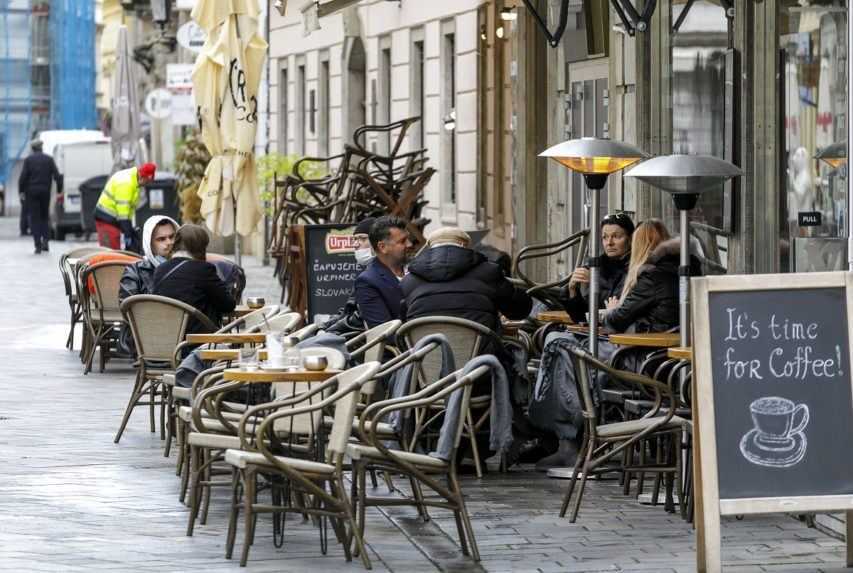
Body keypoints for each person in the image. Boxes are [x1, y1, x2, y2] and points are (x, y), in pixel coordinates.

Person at [530, 219, 687, 469]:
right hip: (658, 357)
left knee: (563, 348)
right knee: (559, 344)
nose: (609, 243)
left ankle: (567, 436)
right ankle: (565, 436)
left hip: (641, 359)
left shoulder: (650, 275)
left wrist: (613, 310)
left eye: (618, 237)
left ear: (637, 243)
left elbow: (616, 319)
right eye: (604, 237)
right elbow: (596, 316)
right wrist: (574, 292)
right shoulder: (674, 271)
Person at [401, 227, 532, 332]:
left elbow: (402, 320)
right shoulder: (489, 272)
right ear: (464, 245)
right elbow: (518, 310)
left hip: (425, 359)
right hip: (481, 358)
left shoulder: (408, 281)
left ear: (430, 248)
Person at [152, 224, 236, 334]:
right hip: (197, 341)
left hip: (167, 338)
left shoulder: (160, 270)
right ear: (201, 247)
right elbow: (228, 305)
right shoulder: (203, 269)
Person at [561, 212, 634, 323]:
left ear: (630, 239)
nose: (609, 243)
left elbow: (616, 307)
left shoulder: (637, 268)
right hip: (592, 331)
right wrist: (572, 291)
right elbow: (581, 317)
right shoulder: (595, 266)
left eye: (616, 236)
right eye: (605, 237)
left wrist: (595, 283)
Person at [354, 216, 408, 328]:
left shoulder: (416, 269)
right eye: (402, 241)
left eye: (407, 239)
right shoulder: (368, 281)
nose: (409, 245)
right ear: (382, 247)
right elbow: (383, 332)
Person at [94, 162, 157, 251]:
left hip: (112, 219)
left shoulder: (134, 181)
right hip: (106, 219)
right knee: (111, 254)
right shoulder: (126, 184)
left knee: (115, 252)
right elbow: (123, 213)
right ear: (143, 177)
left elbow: (128, 211)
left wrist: (129, 230)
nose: (146, 184)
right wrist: (127, 233)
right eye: (147, 181)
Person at [119, 215, 178, 302]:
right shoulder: (134, 271)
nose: (169, 242)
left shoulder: (187, 266)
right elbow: (128, 306)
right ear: (149, 244)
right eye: (161, 239)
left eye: (172, 236)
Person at [18, 139, 61, 254]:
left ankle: (37, 245)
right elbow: (57, 176)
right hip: (45, 192)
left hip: (31, 193)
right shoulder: (49, 159)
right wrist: (59, 190)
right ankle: (46, 241)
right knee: (44, 217)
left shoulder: (28, 160)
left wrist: (21, 192)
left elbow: (23, 178)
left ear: (32, 149)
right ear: (42, 148)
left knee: (35, 218)